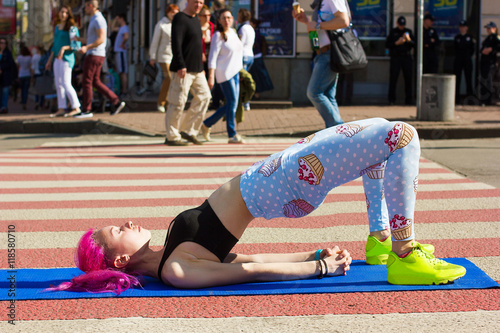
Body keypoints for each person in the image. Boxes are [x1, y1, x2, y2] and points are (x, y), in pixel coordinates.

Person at [50, 118, 466, 294]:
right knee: (400, 136)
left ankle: (379, 240)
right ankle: (404, 254)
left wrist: (311, 252)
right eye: (117, 230)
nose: (125, 221)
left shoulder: (168, 255)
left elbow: (241, 255)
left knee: (378, 135)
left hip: (272, 174)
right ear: (120, 260)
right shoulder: (176, 271)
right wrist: (317, 268)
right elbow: (248, 272)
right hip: (285, 182)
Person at [292, 0, 349, 128]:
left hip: (329, 54)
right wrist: (306, 21)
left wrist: (317, 25)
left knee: (314, 92)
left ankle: (340, 129)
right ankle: (336, 133)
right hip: (322, 53)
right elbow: (319, 28)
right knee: (328, 95)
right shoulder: (321, 2)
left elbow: (343, 21)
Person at [164, 0, 211, 146]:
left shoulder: (196, 19)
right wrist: (180, 64)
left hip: (197, 69)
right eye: (196, 2)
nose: (198, 5)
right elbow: (176, 43)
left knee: (205, 97)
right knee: (177, 102)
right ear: (188, 1)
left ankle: (188, 130)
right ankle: (171, 136)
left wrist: (201, 65)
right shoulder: (180, 18)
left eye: (201, 3)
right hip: (183, 69)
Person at [75, 0, 126, 118]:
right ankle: (115, 101)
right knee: (95, 82)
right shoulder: (94, 19)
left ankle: (86, 110)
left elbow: (101, 39)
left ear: (91, 6)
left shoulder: (98, 19)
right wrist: (78, 39)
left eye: (86, 7)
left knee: (86, 81)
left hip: (94, 54)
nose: (84, 10)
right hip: (95, 53)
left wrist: (86, 48)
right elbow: (93, 39)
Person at [201, 9, 244, 144]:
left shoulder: (233, 32)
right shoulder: (217, 35)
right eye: (224, 18)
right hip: (224, 73)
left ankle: (207, 123)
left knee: (233, 104)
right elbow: (212, 57)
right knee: (232, 103)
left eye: (229, 18)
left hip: (235, 72)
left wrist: (241, 70)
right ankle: (232, 134)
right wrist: (211, 76)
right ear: (219, 21)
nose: (227, 20)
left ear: (233, 19)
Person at [44, 5, 82, 117]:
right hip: (57, 59)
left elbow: (76, 45)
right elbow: (54, 45)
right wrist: (49, 60)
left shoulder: (72, 28)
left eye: (66, 12)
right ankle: (61, 108)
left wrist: (64, 48)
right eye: (61, 12)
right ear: (58, 13)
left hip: (67, 59)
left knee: (66, 83)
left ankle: (76, 107)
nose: (63, 14)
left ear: (69, 14)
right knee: (58, 84)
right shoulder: (57, 27)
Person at [150, 4, 180, 113]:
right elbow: (155, 41)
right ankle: (161, 102)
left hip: (174, 56)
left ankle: (169, 104)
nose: (174, 14)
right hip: (164, 56)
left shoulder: (178, 24)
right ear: (167, 12)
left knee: (174, 80)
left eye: (176, 12)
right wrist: (152, 56)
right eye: (172, 12)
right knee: (169, 78)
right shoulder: (161, 24)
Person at [386, 16, 414, 105]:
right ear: (397, 24)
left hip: (406, 57)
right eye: (400, 25)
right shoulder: (393, 32)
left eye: (403, 25)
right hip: (396, 57)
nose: (402, 26)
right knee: (393, 78)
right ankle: (391, 99)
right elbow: (387, 44)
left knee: (408, 79)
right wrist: (396, 43)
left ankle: (408, 100)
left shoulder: (408, 32)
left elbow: (415, 45)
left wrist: (409, 40)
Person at [248, 18, 274, 99]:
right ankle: (255, 94)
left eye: (250, 23)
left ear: (254, 24)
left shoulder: (255, 33)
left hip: (256, 57)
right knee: (255, 77)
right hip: (255, 57)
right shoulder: (254, 32)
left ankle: (256, 94)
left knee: (256, 77)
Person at [237, 8, 255, 112]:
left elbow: (240, 43)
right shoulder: (250, 27)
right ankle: (245, 102)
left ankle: (245, 103)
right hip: (250, 55)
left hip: (243, 56)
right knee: (245, 80)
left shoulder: (243, 28)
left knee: (243, 81)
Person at [478, 22, 500, 106]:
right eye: (487, 28)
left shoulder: (496, 38)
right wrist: (483, 50)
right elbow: (481, 49)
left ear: (494, 28)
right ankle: (483, 100)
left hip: (491, 62)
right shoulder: (487, 38)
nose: (488, 30)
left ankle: (489, 100)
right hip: (484, 62)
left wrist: (491, 49)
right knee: (484, 81)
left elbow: (498, 47)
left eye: (489, 28)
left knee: (489, 81)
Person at [453, 20, 475, 104]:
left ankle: (470, 99)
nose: (462, 28)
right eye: (461, 27)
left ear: (466, 28)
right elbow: (455, 49)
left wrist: (468, 56)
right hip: (458, 60)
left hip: (467, 60)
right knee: (457, 79)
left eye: (463, 27)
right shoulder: (457, 37)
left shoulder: (470, 37)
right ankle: (456, 98)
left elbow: (472, 49)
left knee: (468, 79)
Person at [113, 13, 129, 96]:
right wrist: (115, 20)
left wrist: (123, 44)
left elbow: (126, 36)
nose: (117, 21)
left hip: (121, 52)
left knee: (123, 72)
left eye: (118, 19)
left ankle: (124, 91)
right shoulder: (120, 28)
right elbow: (112, 28)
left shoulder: (124, 28)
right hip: (119, 52)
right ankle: (122, 90)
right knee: (120, 72)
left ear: (122, 18)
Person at [0, 38, 16, 114]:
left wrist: (1, 68)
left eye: (4, 43)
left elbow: (10, 64)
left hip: (5, 76)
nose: (2, 44)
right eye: (1, 43)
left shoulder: (8, 53)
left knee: (5, 92)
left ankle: (4, 107)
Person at [199, 5, 214, 77]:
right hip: (199, 58)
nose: (207, 17)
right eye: (204, 15)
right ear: (199, 16)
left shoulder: (212, 27)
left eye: (209, 15)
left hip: (210, 58)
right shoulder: (196, 27)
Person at [17, 45, 32, 110]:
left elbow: (18, 66)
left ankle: (22, 100)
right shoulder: (29, 57)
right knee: (26, 89)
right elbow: (30, 67)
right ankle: (24, 102)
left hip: (21, 74)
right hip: (27, 74)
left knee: (22, 89)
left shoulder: (19, 57)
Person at [31, 45, 45, 110]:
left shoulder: (35, 56)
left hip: (36, 74)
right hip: (42, 74)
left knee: (37, 89)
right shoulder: (43, 56)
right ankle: (41, 103)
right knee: (42, 89)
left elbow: (32, 67)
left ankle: (37, 101)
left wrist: (32, 75)